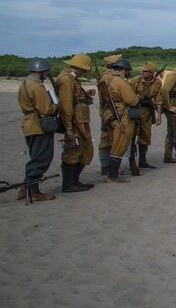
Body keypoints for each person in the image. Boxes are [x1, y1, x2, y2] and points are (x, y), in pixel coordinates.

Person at [54, 54, 100, 190]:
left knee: (85, 151)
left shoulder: (72, 79)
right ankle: (68, 184)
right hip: (75, 122)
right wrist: (68, 128)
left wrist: (85, 94)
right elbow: (66, 106)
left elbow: (74, 98)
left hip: (80, 120)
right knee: (73, 152)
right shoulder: (67, 80)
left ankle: (74, 181)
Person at [17, 58, 59, 200]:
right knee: (41, 158)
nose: (47, 74)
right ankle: (33, 192)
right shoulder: (36, 86)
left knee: (36, 157)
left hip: (29, 123)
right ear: (42, 71)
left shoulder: (25, 83)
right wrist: (57, 105)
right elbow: (46, 109)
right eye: (46, 72)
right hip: (38, 125)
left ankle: (25, 188)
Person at [103, 57, 140, 183]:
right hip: (122, 115)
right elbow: (132, 100)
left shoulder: (108, 79)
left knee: (116, 143)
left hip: (112, 114)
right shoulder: (120, 81)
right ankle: (112, 175)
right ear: (123, 69)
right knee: (119, 144)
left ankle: (111, 173)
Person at [129, 61, 162, 169]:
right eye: (143, 71)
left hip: (147, 114)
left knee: (145, 137)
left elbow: (158, 100)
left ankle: (142, 161)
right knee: (131, 137)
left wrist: (159, 115)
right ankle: (131, 161)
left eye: (147, 71)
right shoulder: (135, 81)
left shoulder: (157, 82)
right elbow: (129, 97)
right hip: (135, 112)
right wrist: (140, 100)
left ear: (152, 73)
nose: (143, 73)